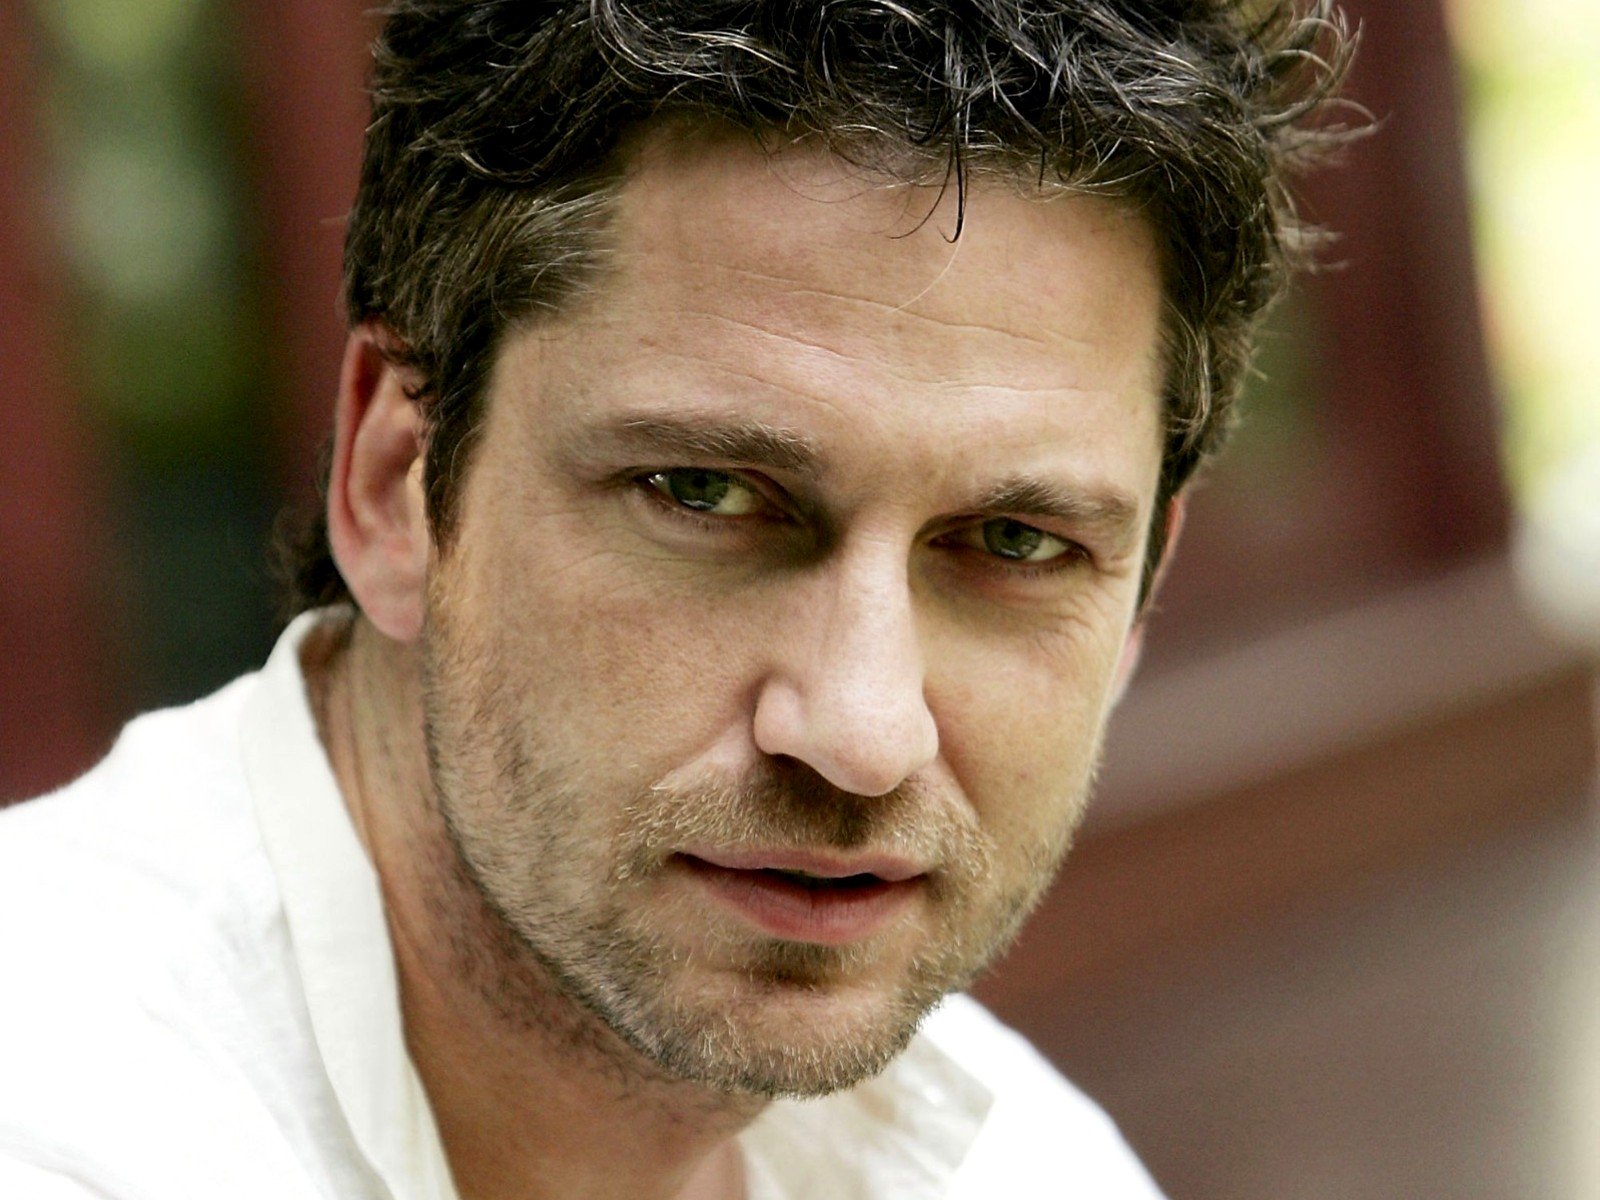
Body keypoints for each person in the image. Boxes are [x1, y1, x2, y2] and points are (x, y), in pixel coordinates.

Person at [0, 2, 1354, 1197]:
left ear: (1140, 599)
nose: (860, 732)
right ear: (396, 481)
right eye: (706, 493)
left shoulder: (1022, 1165)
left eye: (1015, 541)